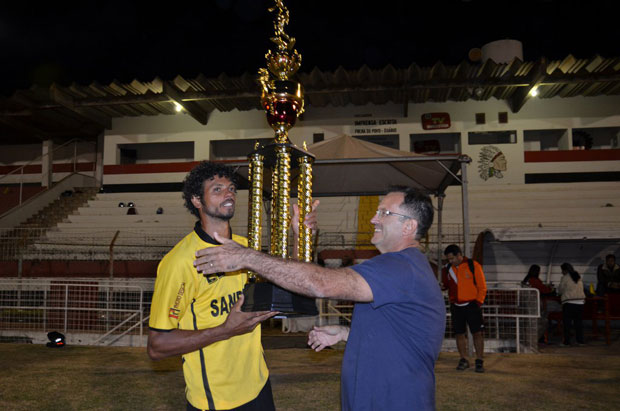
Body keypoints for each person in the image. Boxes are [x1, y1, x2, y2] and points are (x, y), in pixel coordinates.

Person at [195, 187, 446, 411]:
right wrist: (347, 333)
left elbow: (320, 284)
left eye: (384, 213)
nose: (373, 219)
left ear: (409, 226)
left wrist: (247, 257)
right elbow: (401, 333)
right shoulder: (403, 269)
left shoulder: (400, 267)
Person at [146, 161, 317, 411]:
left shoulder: (244, 248)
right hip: (216, 401)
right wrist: (226, 329)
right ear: (196, 200)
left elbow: (289, 288)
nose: (229, 194)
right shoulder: (180, 262)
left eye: (231, 188)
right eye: (217, 189)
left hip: (259, 386)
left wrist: (299, 237)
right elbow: (157, 346)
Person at [443, 244, 487, 373]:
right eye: (448, 259)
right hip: (456, 306)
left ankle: (479, 360)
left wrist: (478, 303)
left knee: (477, 333)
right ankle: (463, 359)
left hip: (472, 305)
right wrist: (442, 286)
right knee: (459, 334)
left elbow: (482, 287)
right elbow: (446, 285)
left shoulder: (473, 266)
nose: (450, 261)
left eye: (452, 258)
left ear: (459, 255)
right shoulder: (447, 269)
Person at [558, 262, 586, 346]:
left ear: (565, 270)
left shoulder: (565, 277)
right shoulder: (578, 276)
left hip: (569, 302)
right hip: (580, 302)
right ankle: (580, 341)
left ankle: (567, 342)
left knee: (567, 324)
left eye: (562, 270)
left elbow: (560, 290)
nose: (561, 272)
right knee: (578, 323)